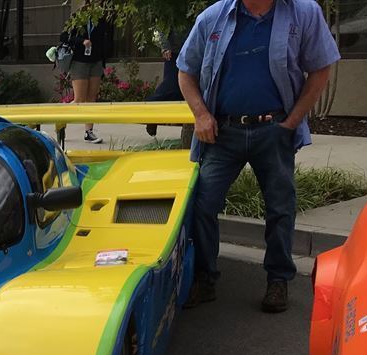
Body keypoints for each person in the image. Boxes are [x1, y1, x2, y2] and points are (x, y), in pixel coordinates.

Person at [177, 0, 340, 312]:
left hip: (273, 129)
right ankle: (204, 277)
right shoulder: (213, 17)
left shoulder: (303, 13)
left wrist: (293, 121)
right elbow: (186, 71)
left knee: (280, 207)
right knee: (203, 204)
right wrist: (201, 115)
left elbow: (321, 68)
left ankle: (278, 280)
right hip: (223, 132)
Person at [60, 2, 114, 144]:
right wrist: (82, 41)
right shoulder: (77, 18)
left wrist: (104, 56)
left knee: (91, 99)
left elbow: (106, 40)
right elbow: (64, 37)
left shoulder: (102, 20)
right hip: (80, 61)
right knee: (79, 99)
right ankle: (60, 120)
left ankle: (89, 132)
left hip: (96, 62)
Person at [145, 27, 188, 136]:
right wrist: (165, 47)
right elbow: (161, 26)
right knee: (172, 86)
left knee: (184, 91)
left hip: (192, 49)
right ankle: (151, 109)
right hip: (175, 52)